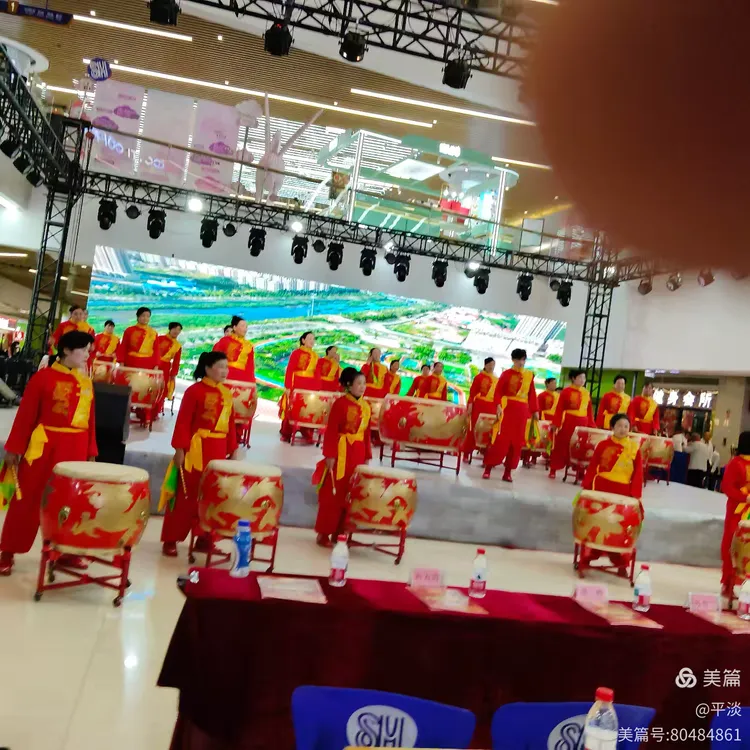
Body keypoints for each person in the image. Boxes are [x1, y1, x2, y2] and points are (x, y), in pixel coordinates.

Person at [0, 331, 97, 576]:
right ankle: (7, 551)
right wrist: (15, 448)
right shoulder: (43, 378)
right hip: (44, 447)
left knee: (71, 501)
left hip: (76, 447)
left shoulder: (86, 382)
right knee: (28, 498)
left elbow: (90, 421)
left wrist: (91, 451)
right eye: (84, 350)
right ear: (66, 350)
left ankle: (65, 552)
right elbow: (25, 416)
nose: (88, 355)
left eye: (89, 350)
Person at [160, 351, 239, 557]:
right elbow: (183, 422)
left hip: (218, 450)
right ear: (207, 368)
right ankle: (171, 539)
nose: (225, 371)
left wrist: (233, 449)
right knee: (186, 495)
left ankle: (204, 538)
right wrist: (180, 449)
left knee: (212, 496)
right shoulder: (194, 391)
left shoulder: (227, 394)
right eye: (220, 366)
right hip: (196, 451)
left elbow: (230, 425)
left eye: (226, 367)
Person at [312, 367, 371, 547]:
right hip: (341, 452)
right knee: (333, 494)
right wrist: (330, 455)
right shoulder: (340, 404)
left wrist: (367, 455)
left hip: (358, 453)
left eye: (364, 383)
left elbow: (366, 433)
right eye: (358, 383)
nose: (362, 387)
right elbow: (331, 431)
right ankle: (323, 533)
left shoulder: (366, 406)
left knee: (350, 494)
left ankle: (340, 534)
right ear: (348, 385)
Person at [482, 349, 538, 481]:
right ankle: (488, 468)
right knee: (500, 440)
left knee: (516, 443)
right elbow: (498, 391)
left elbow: (532, 394)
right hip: (507, 410)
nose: (521, 362)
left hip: (522, 412)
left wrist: (535, 411)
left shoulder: (529, 375)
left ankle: (508, 472)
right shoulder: (506, 374)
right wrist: (498, 405)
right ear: (513, 360)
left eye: (523, 359)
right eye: (518, 360)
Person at [548, 369, 596, 479]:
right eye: (580, 378)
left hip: (583, 423)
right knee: (562, 445)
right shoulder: (566, 391)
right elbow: (559, 408)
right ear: (573, 378)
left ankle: (580, 471)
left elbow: (589, 411)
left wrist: (592, 425)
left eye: (584, 378)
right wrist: (556, 423)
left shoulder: (586, 393)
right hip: (569, 421)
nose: (582, 380)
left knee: (580, 447)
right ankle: (553, 469)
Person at [582, 413, 643, 497]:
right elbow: (593, 465)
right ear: (612, 427)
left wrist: (635, 493)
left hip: (623, 488)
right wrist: (587, 484)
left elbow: (638, 472)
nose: (623, 429)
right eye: (619, 426)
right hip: (601, 485)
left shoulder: (634, 447)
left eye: (626, 426)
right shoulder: (603, 444)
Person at [720, 432, 750, 598]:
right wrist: (745, 497)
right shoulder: (735, 463)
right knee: (732, 545)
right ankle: (728, 584)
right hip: (737, 511)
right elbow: (727, 487)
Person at [279, 331, 320, 442]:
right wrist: (288, 386)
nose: (312, 341)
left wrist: (318, 388)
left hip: (310, 386)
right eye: (310, 338)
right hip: (297, 384)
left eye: (313, 339)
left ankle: (307, 434)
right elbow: (290, 369)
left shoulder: (315, 356)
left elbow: (317, 373)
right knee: (293, 409)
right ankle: (287, 433)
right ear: (303, 340)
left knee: (308, 409)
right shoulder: (296, 353)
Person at [464, 357, 498, 460]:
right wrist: (470, 405)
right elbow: (472, 393)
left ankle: (486, 452)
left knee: (489, 429)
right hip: (479, 405)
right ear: (485, 365)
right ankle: (466, 452)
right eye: (489, 365)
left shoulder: (496, 379)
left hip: (492, 407)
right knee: (473, 428)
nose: (491, 367)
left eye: (493, 365)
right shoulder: (479, 377)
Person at [213, 316, 255, 383]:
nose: (245, 329)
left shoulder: (249, 346)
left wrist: (251, 382)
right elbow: (214, 360)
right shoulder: (225, 341)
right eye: (242, 326)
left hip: (241, 379)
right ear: (235, 327)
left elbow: (250, 367)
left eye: (246, 327)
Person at [155, 322, 183, 416]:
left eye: (179, 330)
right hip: (154, 365)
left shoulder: (178, 345)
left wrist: (173, 374)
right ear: (170, 329)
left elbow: (176, 361)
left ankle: (156, 410)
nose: (176, 331)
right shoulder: (160, 339)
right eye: (175, 329)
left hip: (166, 368)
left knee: (162, 389)